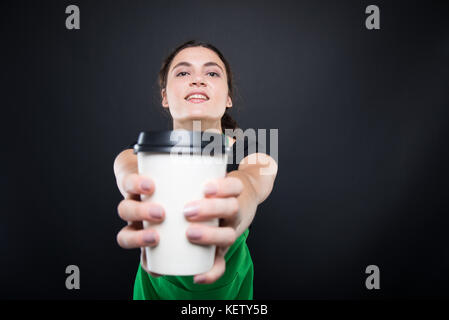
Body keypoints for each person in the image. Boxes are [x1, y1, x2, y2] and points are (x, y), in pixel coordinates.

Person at [113, 40, 278, 299]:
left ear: (228, 98)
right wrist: (137, 187)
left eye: (212, 73)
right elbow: (128, 169)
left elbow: (251, 183)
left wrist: (231, 211)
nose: (198, 80)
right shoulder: (137, 156)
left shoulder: (255, 153)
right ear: (165, 96)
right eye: (183, 72)